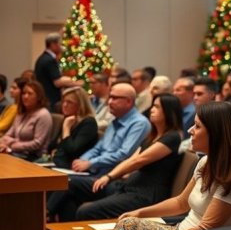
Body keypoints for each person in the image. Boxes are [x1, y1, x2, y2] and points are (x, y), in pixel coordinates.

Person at [98, 102, 231, 230]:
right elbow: (181, 202)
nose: (190, 130)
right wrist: (140, 212)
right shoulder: (206, 162)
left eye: (197, 126)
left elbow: (205, 229)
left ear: (216, 133)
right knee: (127, 224)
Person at [49, 93, 183, 223]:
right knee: (70, 183)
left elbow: (138, 161)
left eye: (157, 107)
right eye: (153, 106)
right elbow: (131, 160)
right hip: (127, 186)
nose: (152, 110)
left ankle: (50, 220)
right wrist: (110, 177)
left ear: (169, 112)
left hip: (145, 195)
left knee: (85, 210)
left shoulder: (172, 137)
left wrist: (109, 176)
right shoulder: (151, 137)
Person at [0, 80, 52, 160]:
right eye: (24, 93)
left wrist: (12, 145)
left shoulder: (43, 114)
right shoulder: (21, 113)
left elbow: (37, 144)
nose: (25, 96)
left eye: (30, 93)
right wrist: (7, 143)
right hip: (15, 153)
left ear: (38, 97)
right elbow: (7, 135)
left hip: (33, 157)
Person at [48, 87, 98, 168]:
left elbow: (72, 151)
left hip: (72, 167)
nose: (64, 105)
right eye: (63, 101)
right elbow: (51, 147)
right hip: (57, 163)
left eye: (69, 102)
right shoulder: (68, 119)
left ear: (80, 105)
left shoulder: (89, 122)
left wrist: (66, 128)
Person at [34, 32, 82, 110]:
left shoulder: (43, 58)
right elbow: (57, 82)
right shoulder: (49, 60)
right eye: (60, 44)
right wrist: (75, 83)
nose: (62, 47)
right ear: (53, 44)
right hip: (50, 99)